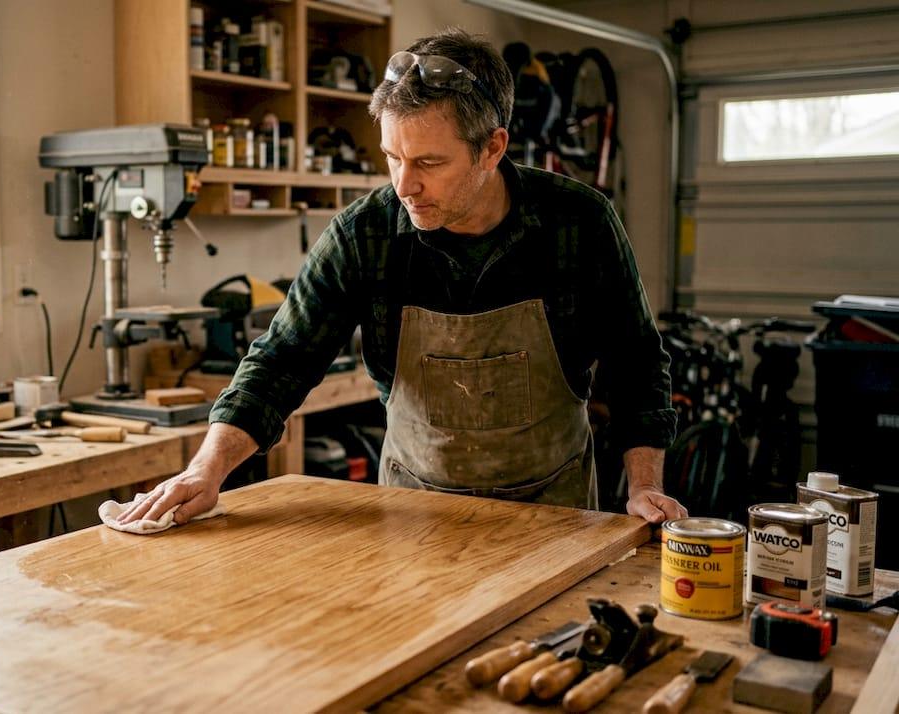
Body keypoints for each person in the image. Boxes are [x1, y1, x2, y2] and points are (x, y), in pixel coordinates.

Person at [120, 28, 686, 527]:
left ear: (492, 148)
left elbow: (636, 362)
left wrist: (644, 486)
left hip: (554, 509)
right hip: (414, 510)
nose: (404, 185)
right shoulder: (363, 235)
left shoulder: (579, 222)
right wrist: (206, 469)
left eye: (429, 163)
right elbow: (282, 360)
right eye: (393, 157)